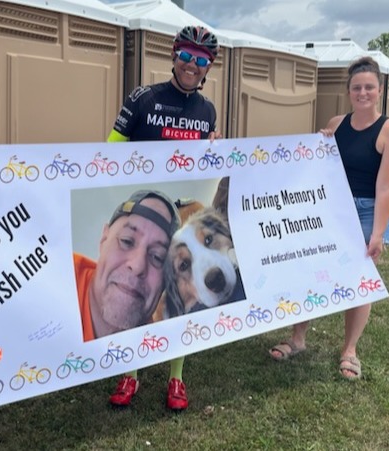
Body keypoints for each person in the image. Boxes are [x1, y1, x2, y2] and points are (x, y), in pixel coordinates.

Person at [106, 25, 222, 411]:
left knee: (178, 292)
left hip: (184, 213)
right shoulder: (144, 98)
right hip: (147, 210)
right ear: (173, 55)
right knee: (141, 286)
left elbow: (204, 166)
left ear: (209, 67)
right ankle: (131, 372)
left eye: (201, 60)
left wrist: (214, 153)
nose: (192, 65)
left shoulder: (207, 110)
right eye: (186, 56)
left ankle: (176, 377)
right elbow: (108, 151)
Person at [268, 56, 389, 380]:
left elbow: (387, 187)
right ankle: (297, 338)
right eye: (357, 87)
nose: (363, 93)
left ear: (380, 90)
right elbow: (319, 167)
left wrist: (377, 233)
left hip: (368, 210)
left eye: (369, 87)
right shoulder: (336, 123)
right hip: (331, 207)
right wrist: (320, 142)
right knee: (311, 269)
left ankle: (349, 351)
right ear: (348, 91)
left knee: (359, 281)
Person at [75, 189, 180, 341]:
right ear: (104, 239)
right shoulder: (55, 276)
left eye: (157, 257)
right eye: (127, 241)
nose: (138, 266)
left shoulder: (158, 348)